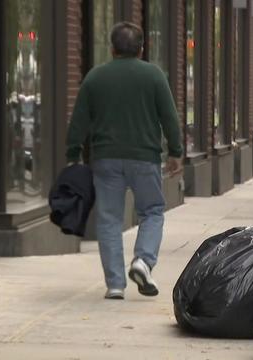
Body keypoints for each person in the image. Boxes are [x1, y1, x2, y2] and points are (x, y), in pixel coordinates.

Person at [66, 22, 183, 300]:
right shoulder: (153, 75)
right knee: (152, 211)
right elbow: (169, 117)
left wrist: (73, 155)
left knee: (109, 219)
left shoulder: (96, 77)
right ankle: (143, 261)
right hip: (145, 158)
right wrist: (176, 152)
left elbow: (78, 122)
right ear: (141, 49)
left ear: (112, 48)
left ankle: (115, 284)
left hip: (105, 159)